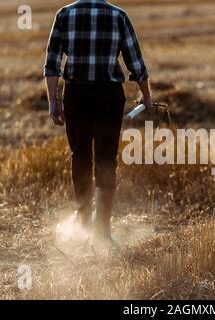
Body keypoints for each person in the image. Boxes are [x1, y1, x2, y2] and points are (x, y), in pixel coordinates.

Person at [43, 0, 152, 243]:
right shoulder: (118, 15)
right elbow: (135, 62)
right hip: (109, 96)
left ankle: (83, 222)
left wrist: (53, 101)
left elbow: (52, 64)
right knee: (106, 160)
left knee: (80, 157)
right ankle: (102, 230)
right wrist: (146, 94)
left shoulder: (64, 14)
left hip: (77, 95)